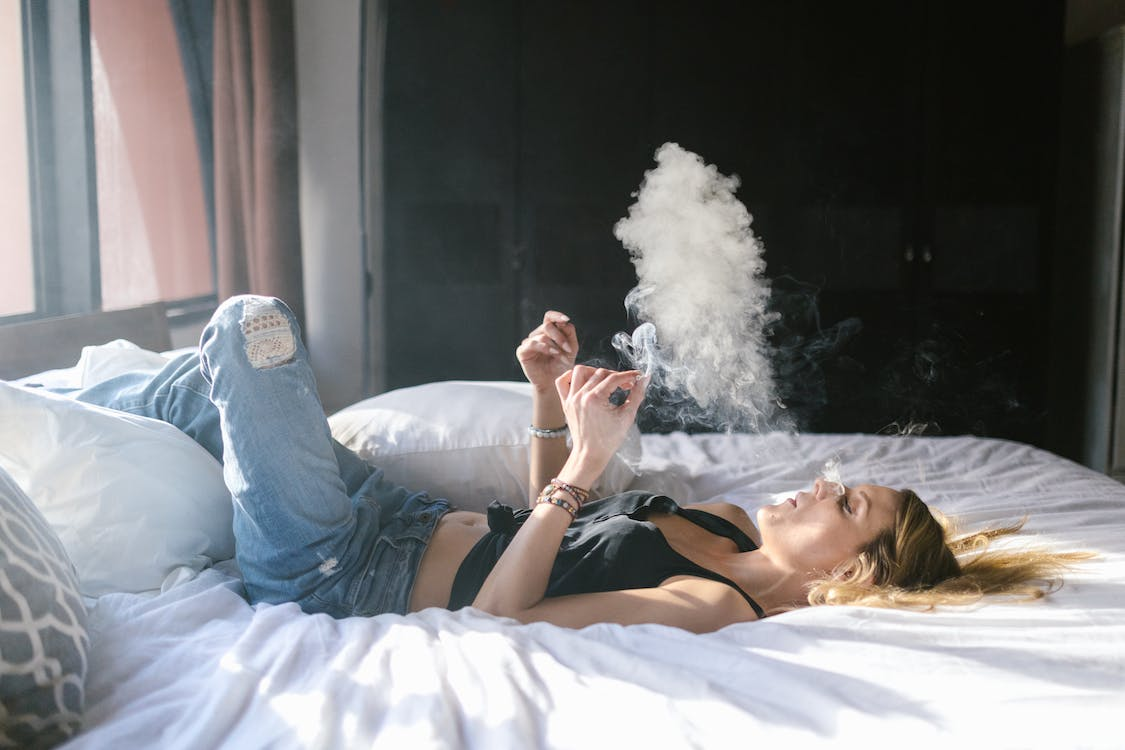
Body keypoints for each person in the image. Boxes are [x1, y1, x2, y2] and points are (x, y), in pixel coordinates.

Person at [66, 296, 1084, 633]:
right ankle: (43, 405)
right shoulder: (728, 517)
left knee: (251, 327)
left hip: (339, 568)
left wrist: (579, 475)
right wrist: (551, 401)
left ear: (852, 570)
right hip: (392, 508)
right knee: (192, 388)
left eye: (847, 501)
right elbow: (535, 512)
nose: (824, 482)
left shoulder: (713, 601)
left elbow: (501, 618)